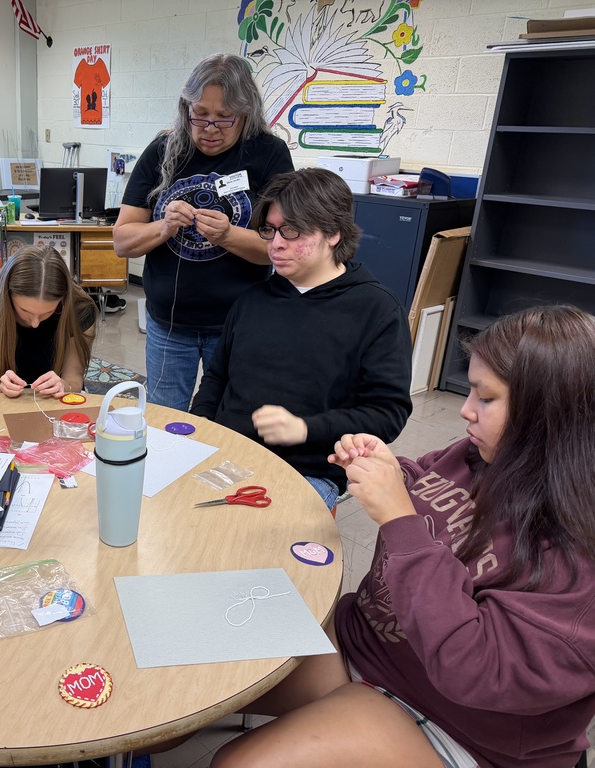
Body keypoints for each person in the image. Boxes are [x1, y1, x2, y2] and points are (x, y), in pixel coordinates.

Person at [211, 305, 595, 768]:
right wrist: (392, 471)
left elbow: (475, 670)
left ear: (548, 415)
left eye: (485, 398)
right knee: (202, 676)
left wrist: (399, 518)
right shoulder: (477, 453)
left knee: (238, 764)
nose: (466, 411)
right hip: (367, 650)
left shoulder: (578, 557)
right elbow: (430, 490)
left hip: (458, 726)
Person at [189, 168, 412, 508]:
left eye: (292, 231)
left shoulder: (376, 311)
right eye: (270, 230)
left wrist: (306, 429)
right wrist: (203, 425)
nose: (276, 244)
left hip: (306, 471)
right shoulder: (253, 300)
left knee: (254, 550)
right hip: (227, 453)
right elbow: (217, 377)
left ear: (334, 233)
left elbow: (387, 413)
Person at [112, 52, 294, 411]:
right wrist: (163, 226)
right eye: (200, 115)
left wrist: (228, 235)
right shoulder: (164, 150)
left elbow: (283, 246)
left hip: (237, 326)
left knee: (230, 423)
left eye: (225, 118)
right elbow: (122, 241)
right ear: (186, 109)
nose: (210, 128)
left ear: (246, 113)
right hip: (169, 324)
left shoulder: (268, 154)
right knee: (166, 422)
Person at [0, 245, 97, 397]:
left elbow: (74, 382)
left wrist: (64, 385)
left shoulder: (80, 310)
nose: (35, 323)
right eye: (25, 311)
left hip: (55, 402)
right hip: (4, 404)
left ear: (63, 300)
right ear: (7, 295)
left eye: (48, 312)